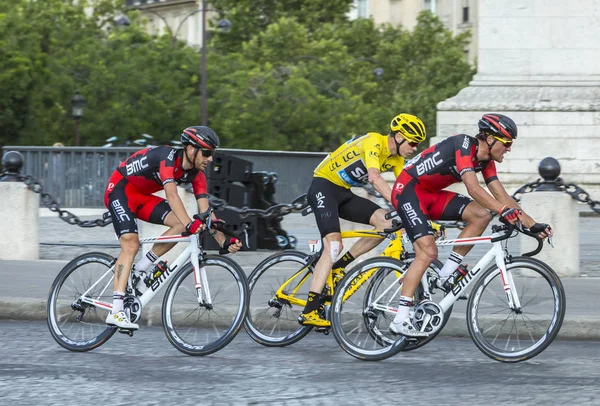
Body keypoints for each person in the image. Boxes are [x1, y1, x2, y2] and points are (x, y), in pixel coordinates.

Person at [388, 113, 553, 337]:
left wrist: (531, 224)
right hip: (407, 190)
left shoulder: (486, 160)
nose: (509, 149)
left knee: (481, 215)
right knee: (427, 252)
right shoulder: (464, 145)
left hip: (429, 194)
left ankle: (446, 272)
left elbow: (499, 193)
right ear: (490, 139)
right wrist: (503, 211)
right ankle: (400, 318)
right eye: (507, 143)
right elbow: (473, 188)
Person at [103, 126, 243, 330]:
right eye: (206, 153)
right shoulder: (166, 157)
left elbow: (205, 212)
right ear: (190, 149)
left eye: (212, 154)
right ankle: (116, 311)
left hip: (141, 197)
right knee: (131, 243)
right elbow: (171, 195)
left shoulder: (198, 175)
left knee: (179, 225)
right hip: (120, 190)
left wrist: (223, 240)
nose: (210, 159)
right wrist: (190, 223)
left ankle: (141, 268)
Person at [298, 113, 426, 327]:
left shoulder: (397, 159)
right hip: (323, 186)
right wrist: (401, 206)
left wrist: (425, 215)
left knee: (386, 223)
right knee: (333, 245)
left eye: (418, 144)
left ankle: (340, 267)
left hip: (344, 192)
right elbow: (375, 178)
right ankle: (309, 310)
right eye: (413, 142)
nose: (415, 148)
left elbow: (408, 190)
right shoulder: (374, 141)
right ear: (398, 137)